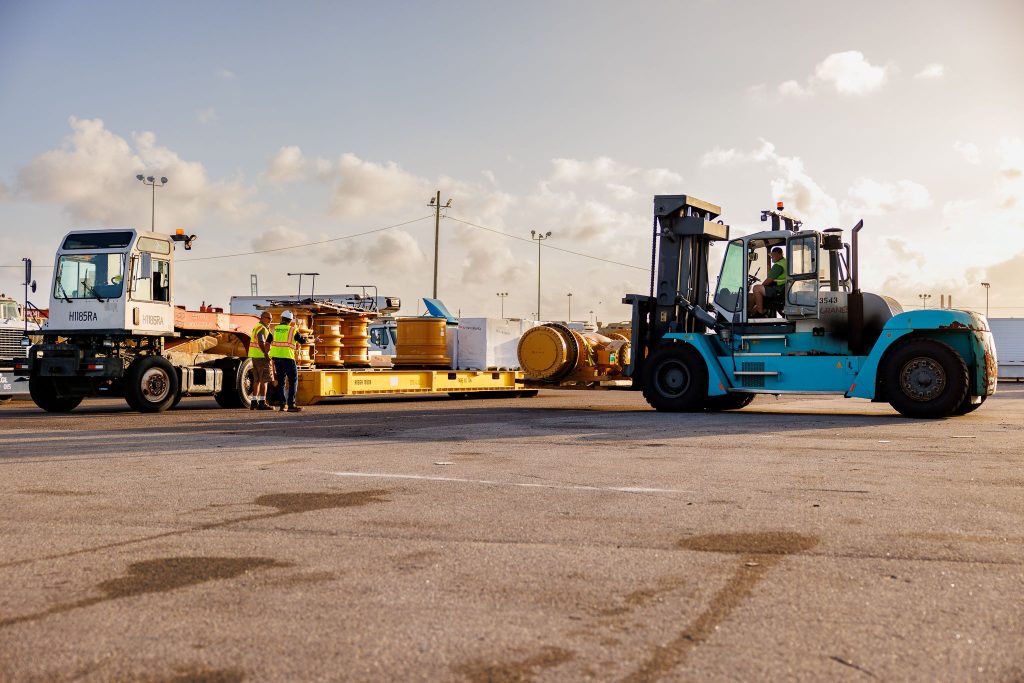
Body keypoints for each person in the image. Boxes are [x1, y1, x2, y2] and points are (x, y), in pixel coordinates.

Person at [268, 310, 308, 412]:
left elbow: (268, 342)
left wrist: (268, 354)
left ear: (281, 319)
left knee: (281, 382)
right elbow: (303, 341)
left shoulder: (274, 329)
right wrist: (314, 340)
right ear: (290, 321)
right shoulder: (292, 330)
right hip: (288, 358)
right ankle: (291, 404)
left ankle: (282, 405)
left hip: (277, 359)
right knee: (293, 381)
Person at [248, 311, 275, 410]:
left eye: (271, 319)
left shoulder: (257, 327)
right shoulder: (262, 328)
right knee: (265, 380)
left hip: (255, 357)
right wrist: (266, 353)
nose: (270, 321)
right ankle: (262, 402)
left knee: (257, 380)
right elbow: (261, 341)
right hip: (261, 357)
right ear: (262, 317)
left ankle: (254, 402)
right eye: (268, 318)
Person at [751, 246, 787, 317]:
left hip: (778, 289)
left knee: (756, 288)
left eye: (773, 255)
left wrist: (762, 286)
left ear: (779, 254)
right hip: (782, 288)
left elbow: (768, 281)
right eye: (771, 255)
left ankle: (760, 312)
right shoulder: (784, 261)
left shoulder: (778, 266)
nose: (772, 257)